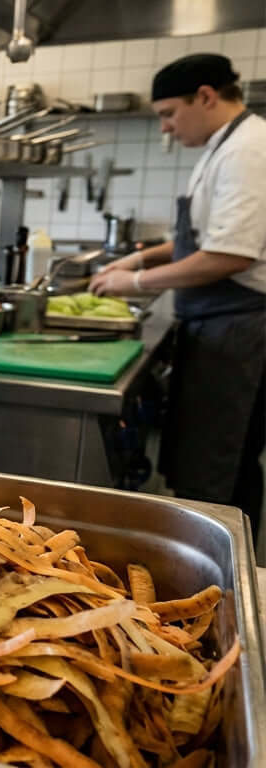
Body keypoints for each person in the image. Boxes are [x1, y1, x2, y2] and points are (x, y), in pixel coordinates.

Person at [90, 53, 266, 534]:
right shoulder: (221, 147)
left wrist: (136, 282)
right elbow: (207, 239)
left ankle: (217, 579)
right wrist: (140, 258)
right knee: (218, 461)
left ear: (205, 96)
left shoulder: (248, 149)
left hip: (240, 330)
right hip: (218, 324)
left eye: (169, 113)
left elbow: (231, 256)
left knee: (217, 467)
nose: (166, 128)